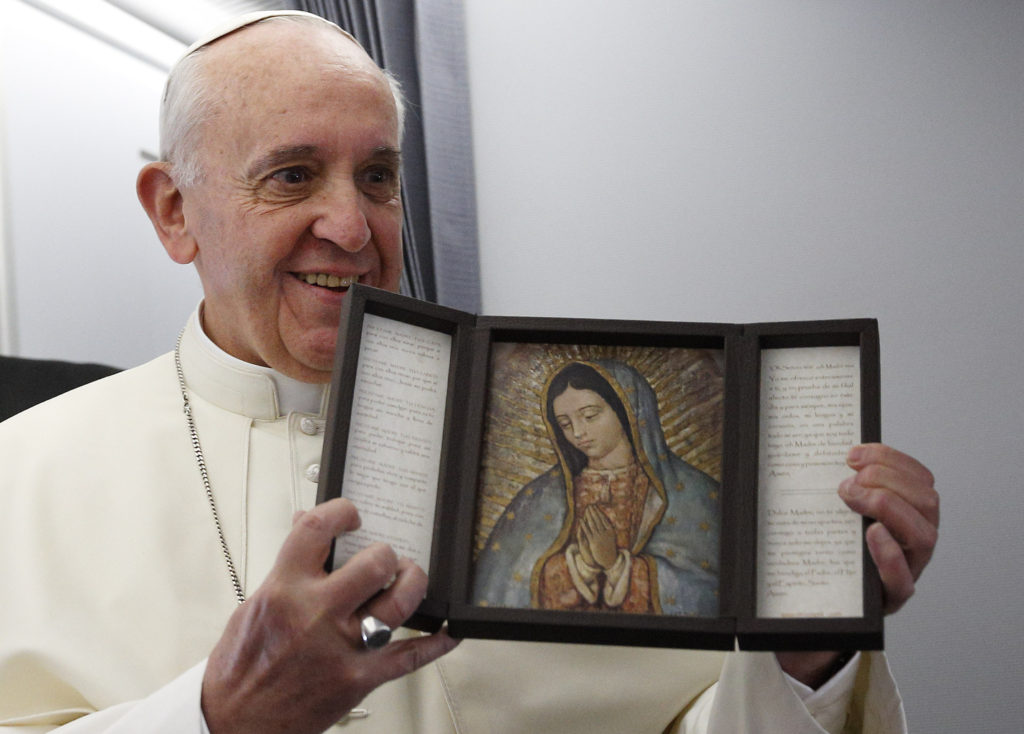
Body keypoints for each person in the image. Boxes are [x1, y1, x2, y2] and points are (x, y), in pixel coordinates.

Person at [0, 10, 939, 734]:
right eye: (291, 175)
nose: (352, 228)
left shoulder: (519, 460)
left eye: (377, 177)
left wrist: (803, 657)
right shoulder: (21, 475)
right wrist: (215, 717)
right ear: (173, 210)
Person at [474, 360, 719, 616]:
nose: (578, 432)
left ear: (627, 411)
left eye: (590, 416)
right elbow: (507, 586)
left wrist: (616, 565)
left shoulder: (694, 494)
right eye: (565, 424)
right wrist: (584, 566)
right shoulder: (540, 497)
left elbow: (707, 593)